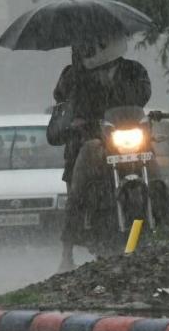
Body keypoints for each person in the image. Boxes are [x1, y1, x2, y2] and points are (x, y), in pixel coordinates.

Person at [54, 36, 151, 272]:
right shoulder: (74, 75)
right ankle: (66, 254)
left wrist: (114, 85)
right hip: (90, 139)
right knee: (78, 189)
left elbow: (143, 96)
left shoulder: (133, 70)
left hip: (126, 137)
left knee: (155, 168)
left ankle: (163, 229)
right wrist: (79, 75)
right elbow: (62, 98)